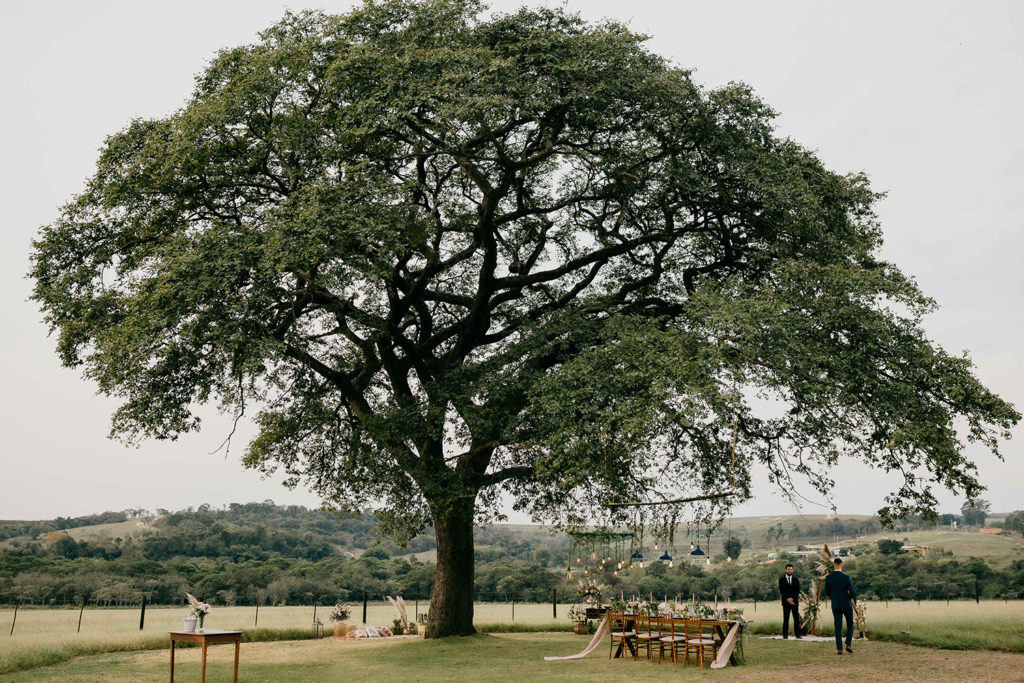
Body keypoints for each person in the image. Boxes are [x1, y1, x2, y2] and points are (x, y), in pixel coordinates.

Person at [823, 556, 857, 654]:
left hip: (835, 604)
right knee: (850, 624)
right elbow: (853, 593)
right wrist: (847, 595)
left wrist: (834, 597)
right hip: (846, 603)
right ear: (842, 565)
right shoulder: (846, 578)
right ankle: (848, 644)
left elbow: (827, 592)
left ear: (833, 564)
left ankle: (839, 648)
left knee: (838, 626)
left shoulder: (829, 577)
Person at [778, 563, 802, 639]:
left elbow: (797, 591)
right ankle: (785, 635)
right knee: (786, 618)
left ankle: (797, 635)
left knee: (796, 619)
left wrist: (792, 599)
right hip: (786, 602)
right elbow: (782, 591)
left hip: (794, 602)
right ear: (786, 570)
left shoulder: (796, 580)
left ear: (792, 570)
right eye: (788, 569)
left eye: (791, 569)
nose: (790, 571)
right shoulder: (781, 580)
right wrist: (788, 599)